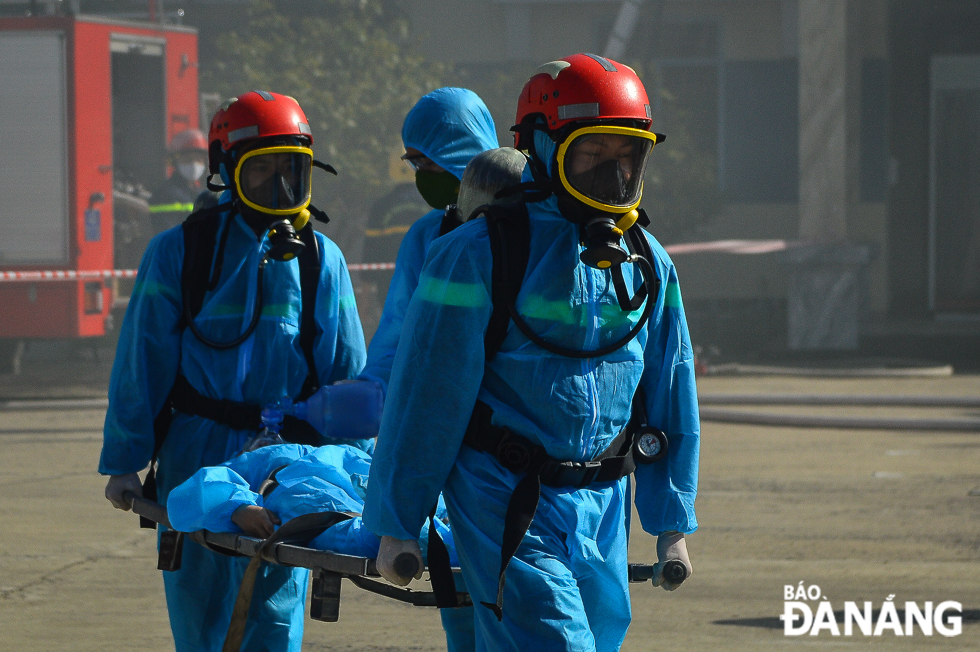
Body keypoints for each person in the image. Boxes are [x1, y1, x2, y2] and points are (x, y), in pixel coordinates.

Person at [363, 53, 700, 650]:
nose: (612, 174)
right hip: (505, 499)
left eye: (628, 155)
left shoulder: (648, 261)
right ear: (541, 147)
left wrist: (670, 518)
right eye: (593, 154)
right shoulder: (476, 253)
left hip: (603, 505)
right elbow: (426, 397)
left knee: (597, 640)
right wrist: (398, 521)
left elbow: (671, 391)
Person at [99, 90, 367, 652]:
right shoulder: (179, 253)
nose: (278, 184)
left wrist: (359, 476)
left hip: (282, 464)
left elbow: (349, 379)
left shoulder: (324, 260)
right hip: (194, 455)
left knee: (271, 617)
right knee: (199, 617)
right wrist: (125, 462)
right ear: (227, 171)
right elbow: (140, 362)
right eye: (260, 168)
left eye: (290, 169)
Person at [358, 87, 498, 396]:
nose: (423, 177)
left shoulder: (537, 225)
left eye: (430, 164)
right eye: (417, 165)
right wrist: (372, 389)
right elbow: (397, 334)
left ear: (463, 153)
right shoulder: (425, 236)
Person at [166, 442, 458, 566]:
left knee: (372, 530)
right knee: (374, 532)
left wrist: (239, 508)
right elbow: (193, 493)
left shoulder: (284, 457)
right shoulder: (267, 476)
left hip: (320, 495)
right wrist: (241, 508)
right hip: (325, 509)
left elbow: (193, 494)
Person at [149, 128, 219, 234]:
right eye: (187, 159)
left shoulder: (201, 193)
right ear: (174, 162)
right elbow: (168, 236)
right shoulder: (166, 194)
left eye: (198, 159)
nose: (194, 164)